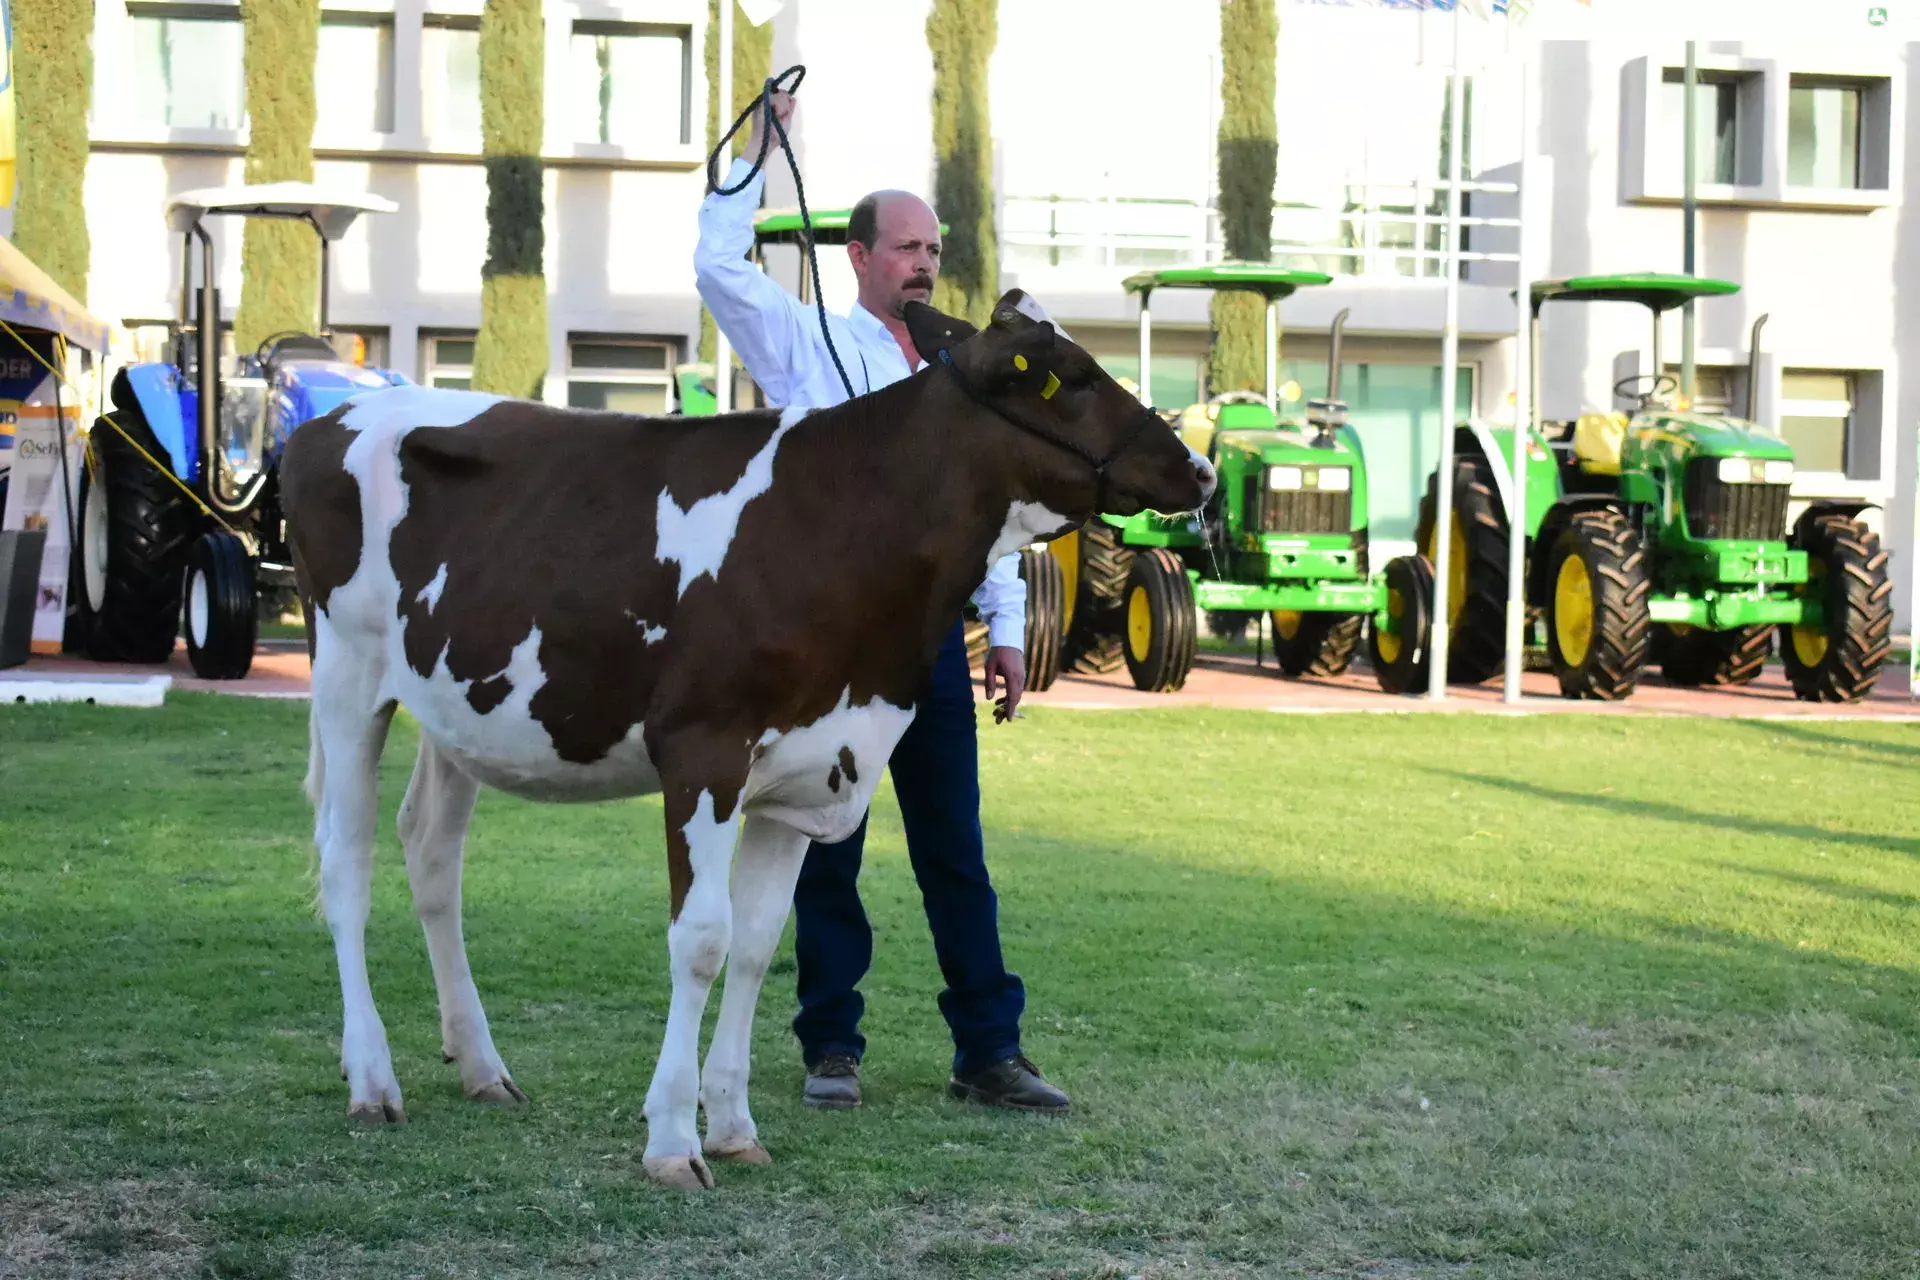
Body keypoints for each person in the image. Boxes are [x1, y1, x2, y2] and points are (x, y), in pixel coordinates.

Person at [693, 89, 1069, 1115]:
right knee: (827, 848)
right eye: (905, 245)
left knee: (958, 849)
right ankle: (831, 1046)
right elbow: (718, 269)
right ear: (857, 255)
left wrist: (1009, 626)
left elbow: (984, 506)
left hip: (934, 644)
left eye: (933, 247)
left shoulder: (958, 368)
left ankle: (989, 1050)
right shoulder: (804, 340)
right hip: (837, 648)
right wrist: (754, 156)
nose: (925, 262)